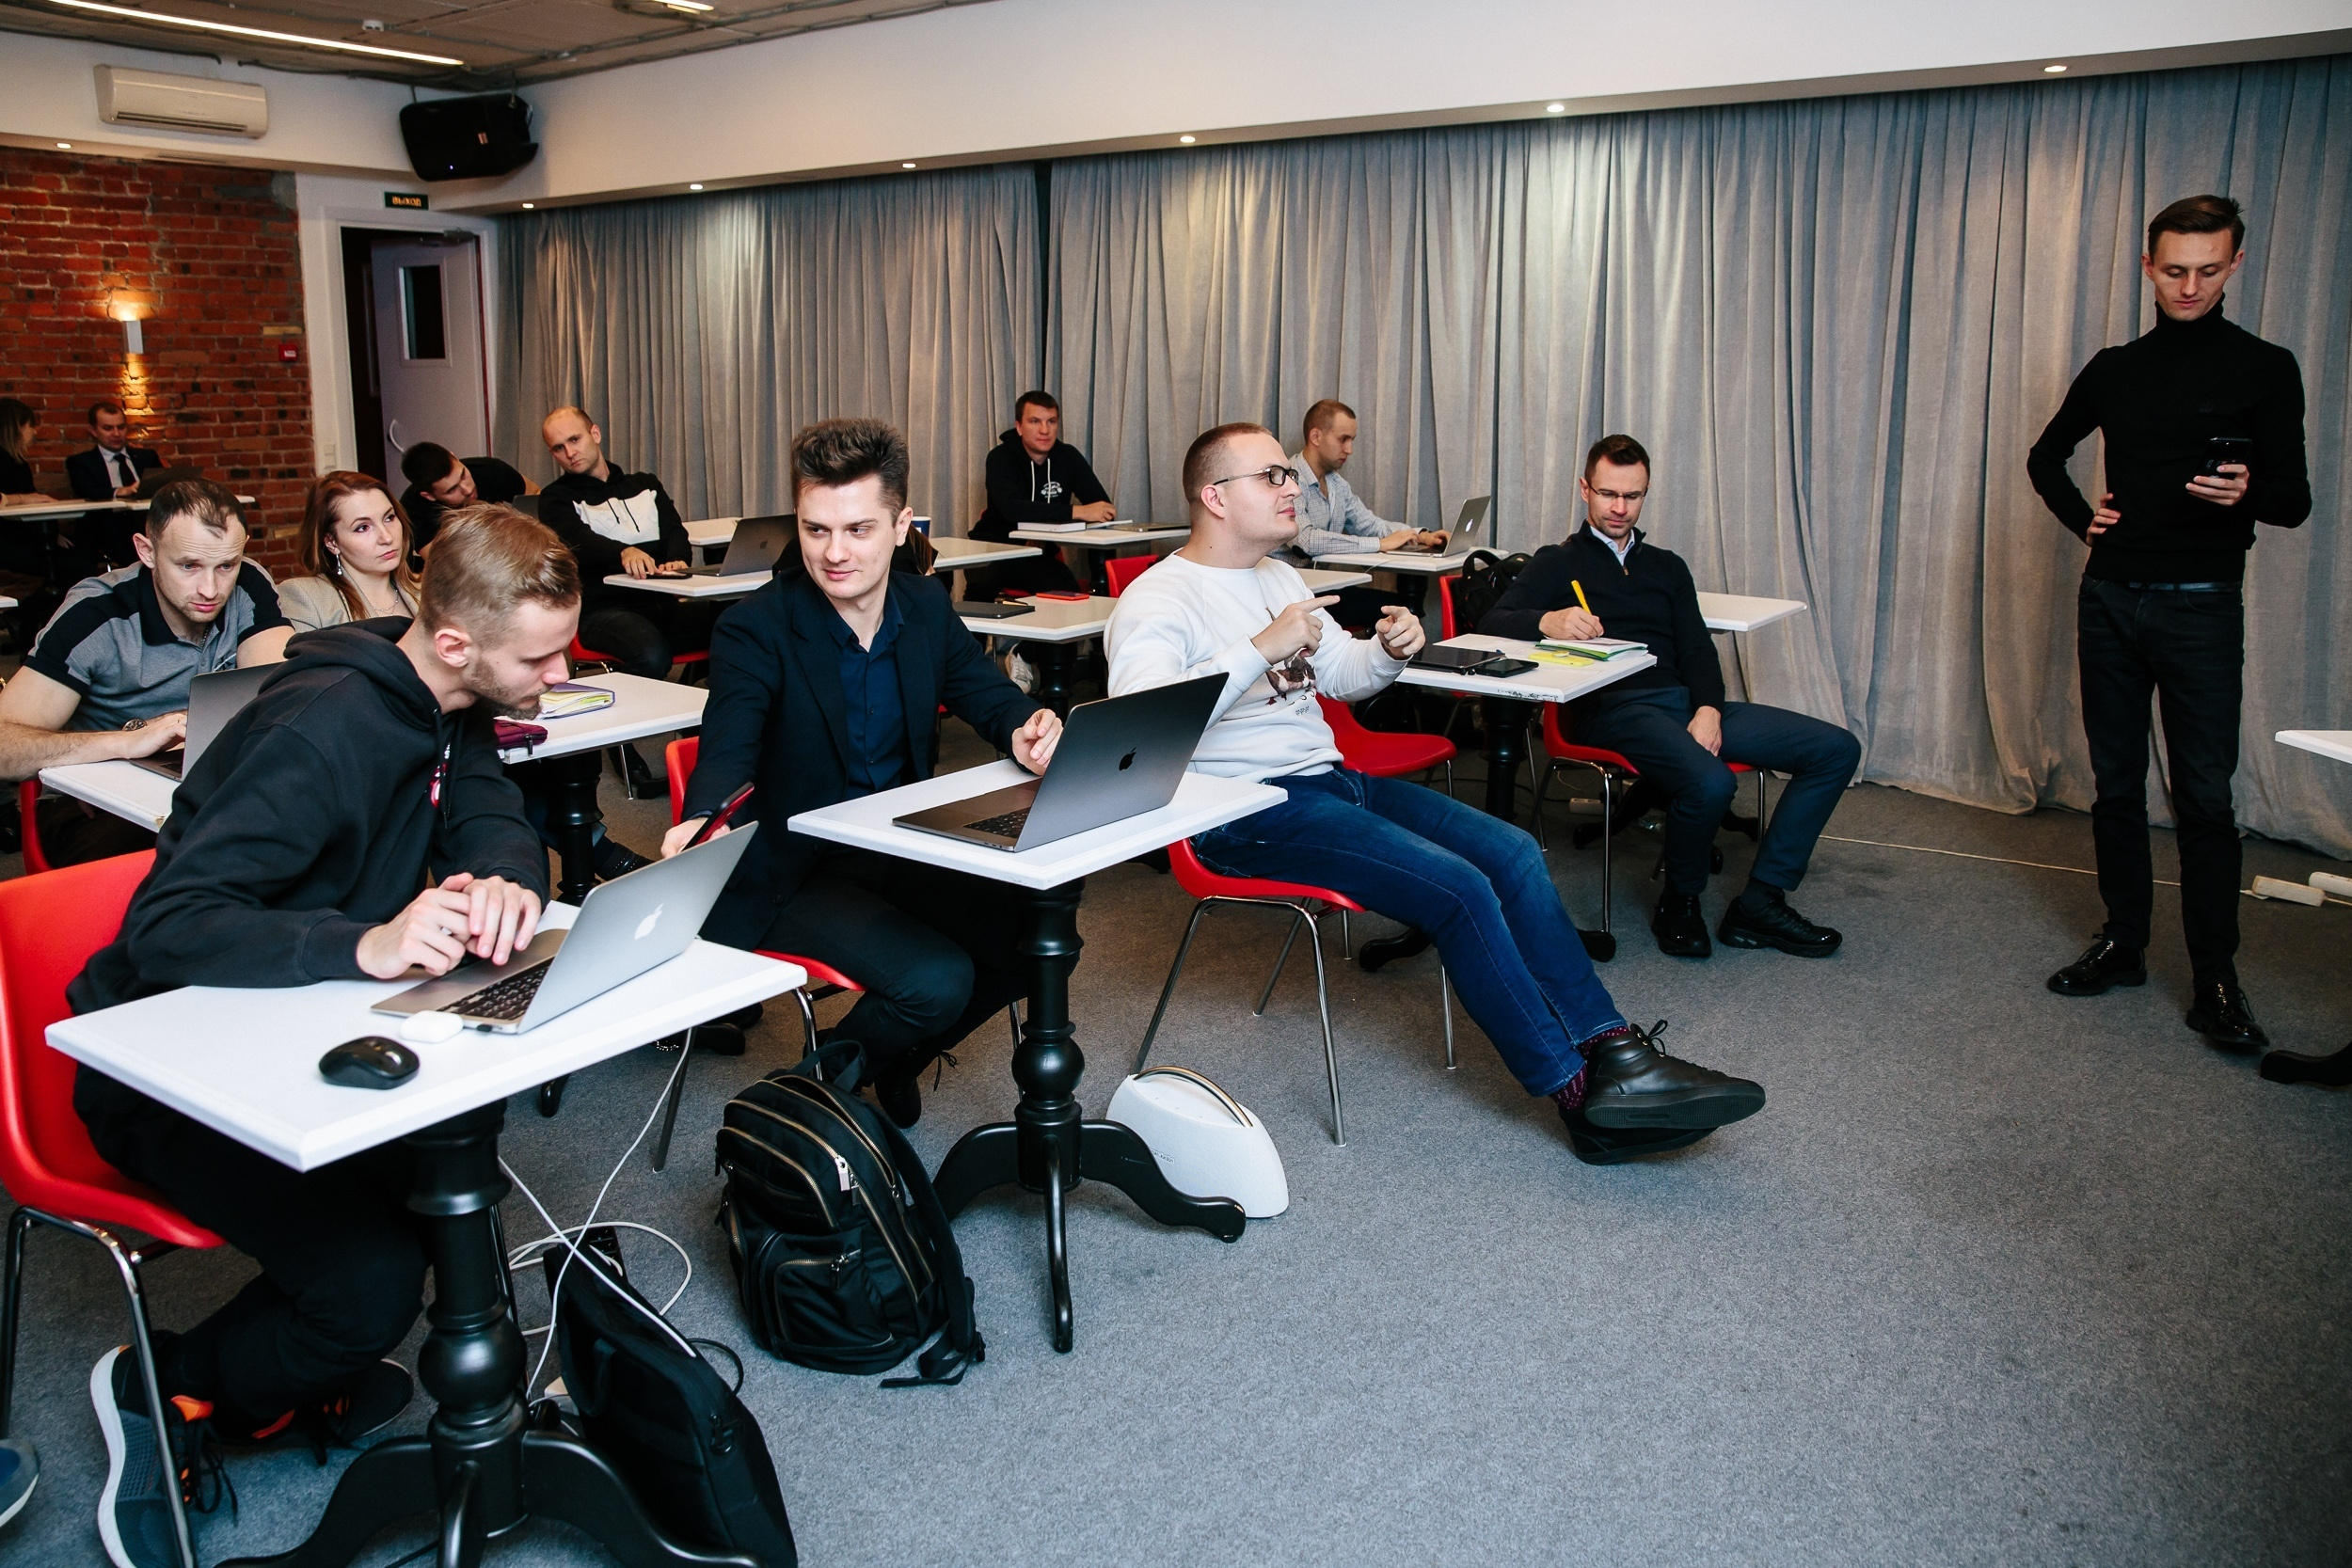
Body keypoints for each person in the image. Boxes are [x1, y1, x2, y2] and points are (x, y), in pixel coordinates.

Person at [66, 503, 565, 1568]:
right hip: (160, 1066)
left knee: (455, 1195)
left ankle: (302, 1367)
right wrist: (368, 943)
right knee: (372, 1286)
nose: (559, 671)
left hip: (304, 1029)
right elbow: (168, 925)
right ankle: (163, 1383)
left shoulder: (450, 699)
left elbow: (487, 815)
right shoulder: (321, 721)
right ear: (453, 642)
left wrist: (510, 883)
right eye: (543, 653)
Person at [1105, 421, 1766, 1164]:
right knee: (1457, 887)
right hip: (1239, 811)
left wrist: (1387, 655)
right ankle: (1580, 1095)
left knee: (1512, 850)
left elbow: (1344, 676)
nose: (1293, 486)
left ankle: (1613, 1047)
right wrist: (1258, 648)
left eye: (1288, 477)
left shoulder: (1279, 579)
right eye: (1273, 477)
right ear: (1214, 497)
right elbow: (1141, 734)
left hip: (1329, 783)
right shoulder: (1160, 598)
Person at [667, 418, 1063, 1129]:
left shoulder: (921, 605)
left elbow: (985, 691)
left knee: (1040, 942)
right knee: (937, 979)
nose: (834, 552)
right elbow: (728, 743)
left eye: (857, 529)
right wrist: (701, 820)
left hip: (897, 846)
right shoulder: (755, 626)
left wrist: (1023, 724)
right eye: (816, 530)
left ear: (901, 522)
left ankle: (891, 1056)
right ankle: (789, 1103)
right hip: (793, 866)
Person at [2026, 195, 2311, 1051]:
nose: (2190, 285)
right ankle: (2122, 942)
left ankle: (2217, 979)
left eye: (2209, 270)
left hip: (2201, 606)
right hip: (2110, 598)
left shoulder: (2266, 366)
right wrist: (2086, 522)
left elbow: (2294, 502)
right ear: (2147, 267)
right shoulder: (2117, 365)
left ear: (2236, 266)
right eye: (2175, 269)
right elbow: (2045, 457)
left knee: (2205, 801)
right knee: (2115, 786)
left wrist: (2248, 491)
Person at [1480, 434, 1863, 960]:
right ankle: (1679, 902)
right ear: (1584, 490)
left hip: (1681, 702)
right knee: (1710, 783)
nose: (1620, 508)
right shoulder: (1556, 561)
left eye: (1632, 496)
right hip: (1613, 707)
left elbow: (1698, 650)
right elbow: (1492, 621)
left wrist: (1708, 709)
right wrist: (1548, 619)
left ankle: (1760, 903)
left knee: (1835, 749)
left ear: (1646, 493)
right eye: (1609, 494)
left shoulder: (1667, 566)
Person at [0, 478, 292, 865]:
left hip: (216, 777)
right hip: (98, 801)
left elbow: (283, 695)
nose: (211, 589)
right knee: (185, 863)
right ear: (147, 551)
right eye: (188, 565)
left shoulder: (247, 583)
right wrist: (123, 745)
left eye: (226, 565)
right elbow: (5, 745)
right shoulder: (96, 613)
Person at [537, 406, 717, 684]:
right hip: (604, 611)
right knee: (651, 656)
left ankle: (695, 712)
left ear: (594, 434)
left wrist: (679, 559)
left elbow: (674, 530)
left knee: (737, 627)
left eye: (575, 440)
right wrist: (623, 552)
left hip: (663, 602)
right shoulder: (554, 499)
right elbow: (579, 541)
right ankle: (621, 720)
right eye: (559, 448)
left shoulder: (645, 484)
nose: (570, 453)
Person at [1287, 398, 1443, 623]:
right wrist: (1380, 544)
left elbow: (1370, 525)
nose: (1349, 449)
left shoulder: (1337, 485)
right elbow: (1304, 540)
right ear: (1316, 437)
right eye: (1343, 439)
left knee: (1403, 609)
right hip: (1288, 597)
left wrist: (1419, 535)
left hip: (1320, 592)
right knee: (1400, 611)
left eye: (1352, 440)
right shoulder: (1287, 480)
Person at [966, 390, 1103, 599]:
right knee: (982, 587)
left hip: (1037, 556)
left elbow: (1101, 508)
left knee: (1068, 591)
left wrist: (1043, 531)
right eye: (1035, 421)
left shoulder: (1068, 457)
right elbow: (1012, 509)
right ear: (1019, 427)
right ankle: (971, 632)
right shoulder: (1000, 458)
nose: (1044, 430)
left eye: (1051, 421)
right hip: (992, 550)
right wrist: (1076, 512)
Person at [278, 471, 421, 631]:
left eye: (389, 518)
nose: (387, 538)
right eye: (363, 528)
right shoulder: (307, 597)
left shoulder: (427, 590)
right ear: (331, 542)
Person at [66, 400, 166, 568]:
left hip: (147, 521)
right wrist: (120, 491)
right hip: (106, 527)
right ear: (93, 431)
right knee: (116, 526)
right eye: (108, 428)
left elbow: (163, 485)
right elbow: (85, 489)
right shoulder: (81, 462)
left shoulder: (146, 457)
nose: (116, 433)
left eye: (121, 427)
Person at [398, 441, 534, 552]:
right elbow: (444, 567)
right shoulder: (414, 512)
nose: (468, 490)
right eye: (452, 490)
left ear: (454, 457)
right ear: (429, 496)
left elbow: (535, 496)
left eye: (463, 475)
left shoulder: (490, 469)